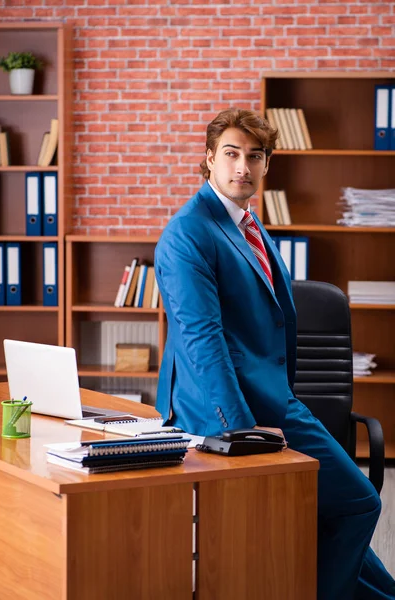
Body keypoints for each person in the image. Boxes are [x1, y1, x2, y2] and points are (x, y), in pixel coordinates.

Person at [154, 107, 395, 600]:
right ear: (208, 160)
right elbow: (203, 343)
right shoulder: (188, 234)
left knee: (330, 513)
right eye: (231, 154)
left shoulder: (248, 223)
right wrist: (244, 432)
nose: (243, 166)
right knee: (360, 503)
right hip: (230, 411)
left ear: (267, 165)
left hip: (274, 396)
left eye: (255, 156)